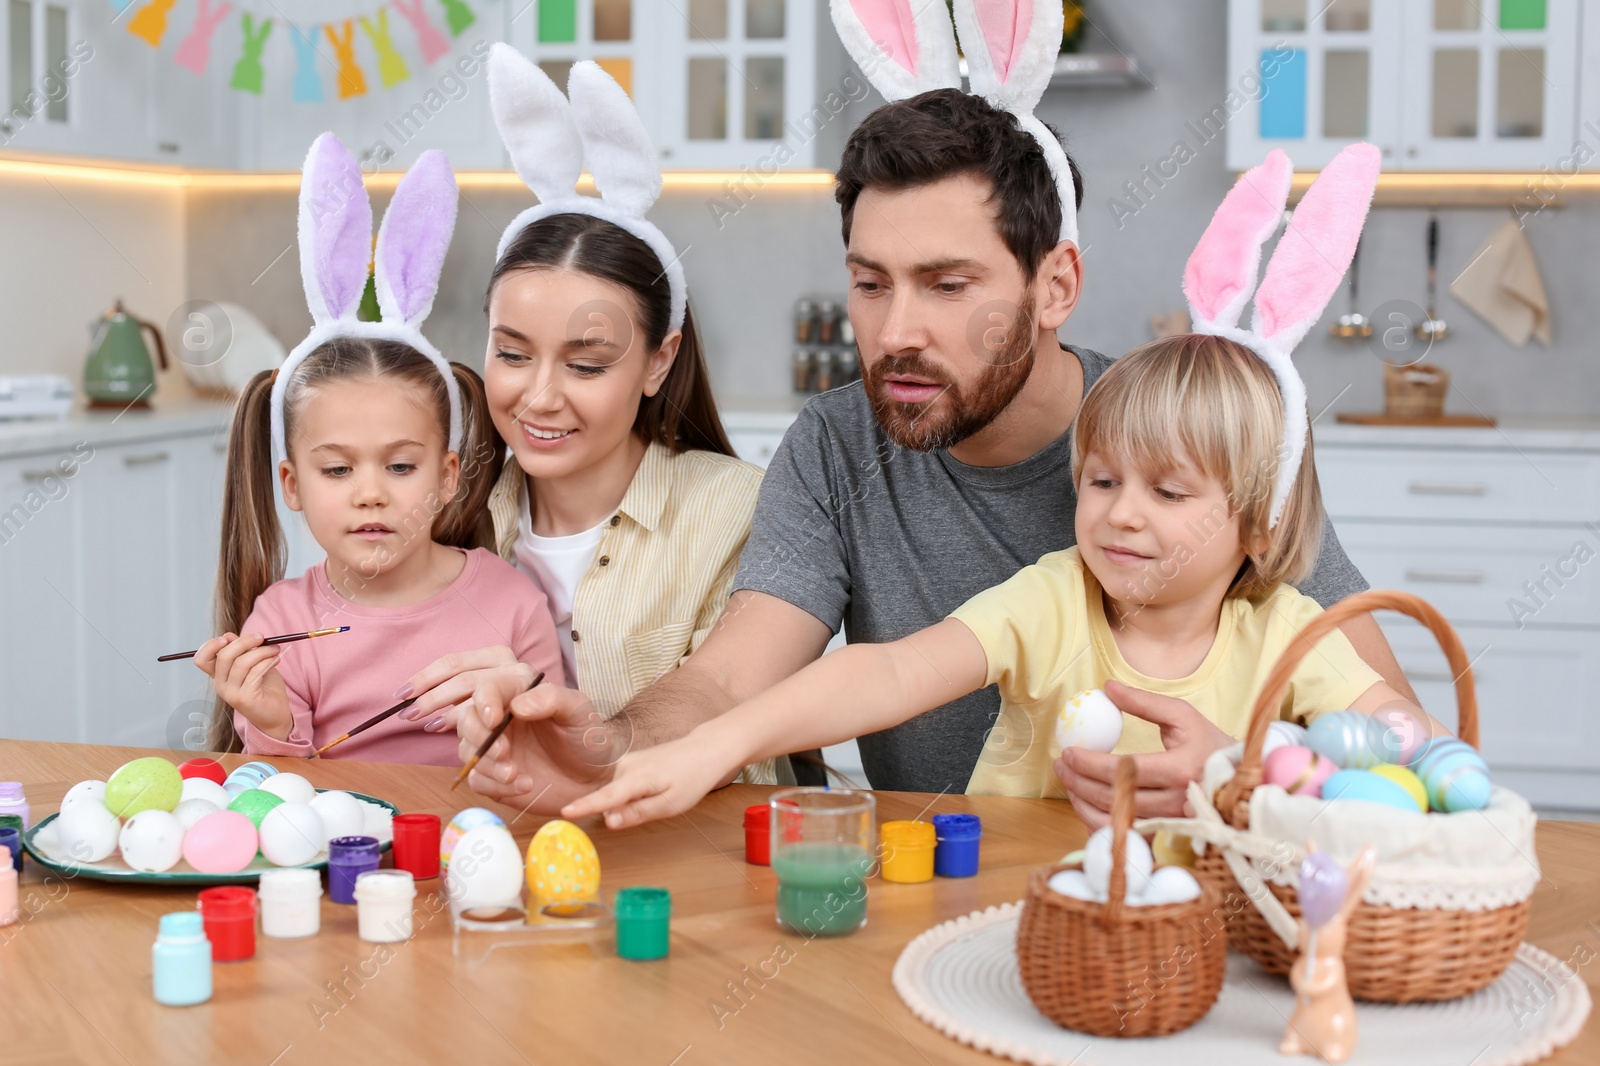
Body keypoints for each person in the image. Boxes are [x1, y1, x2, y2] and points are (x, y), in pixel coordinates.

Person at [454, 4, 1415, 819]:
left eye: (947, 285)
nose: (895, 332)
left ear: (1055, 284)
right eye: (870, 284)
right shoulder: (835, 444)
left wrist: (1246, 778)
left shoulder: (1188, 440)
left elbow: (1407, 745)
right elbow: (729, 678)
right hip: (939, 894)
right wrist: (608, 740)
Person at [386, 50, 777, 792]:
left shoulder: (737, 509)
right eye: (511, 353)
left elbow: (739, 728)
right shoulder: (447, 514)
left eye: (586, 364)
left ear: (658, 363)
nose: (539, 397)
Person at [195, 135, 563, 763]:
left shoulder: (514, 603)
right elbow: (283, 805)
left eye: (400, 466)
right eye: (337, 469)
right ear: (291, 484)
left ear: (448, 476)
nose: (370, 492)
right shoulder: (279, 621)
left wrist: (519, 719)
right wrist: (271, 719)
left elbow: (555, 759)